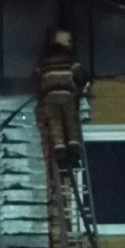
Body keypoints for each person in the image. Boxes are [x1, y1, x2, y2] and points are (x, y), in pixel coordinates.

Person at [36, 29, 89, 169]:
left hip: (49, 97)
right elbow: (80, 75)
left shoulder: (44, 60)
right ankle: (74, 154)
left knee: (56, 125)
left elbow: (38, 77)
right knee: (71, 123)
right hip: (67, 96)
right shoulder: (69, 58)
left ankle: (61, 156)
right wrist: (84, 86)